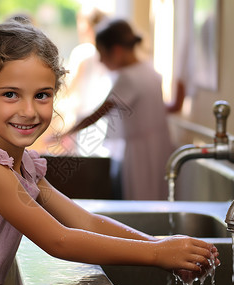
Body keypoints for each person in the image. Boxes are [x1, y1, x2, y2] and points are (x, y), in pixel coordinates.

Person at [0, 20, 218, 285]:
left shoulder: (20, 166)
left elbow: (81, 220)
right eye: (10, 94)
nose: (29, 110)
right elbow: (59, 240)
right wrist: (157, 255)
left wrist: (157, 243)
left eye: (42, 95)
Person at [62, 19, 174, 200]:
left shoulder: (127, 78)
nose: (99, 60)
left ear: (116, 51)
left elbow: (99, 113)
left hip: (140, 154)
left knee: (141, 200)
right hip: (161, 146)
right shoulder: (148, 69)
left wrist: (67, 133)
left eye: (101, 53)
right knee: (157, 196)